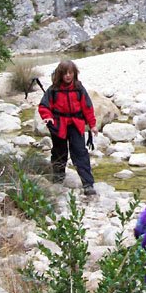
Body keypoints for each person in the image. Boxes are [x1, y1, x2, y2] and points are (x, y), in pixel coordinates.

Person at [38, 60, 99, 196]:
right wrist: (47, 117)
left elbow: (87, 107)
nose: (68, 76)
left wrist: (92, 124)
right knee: (59, 153)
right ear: (60, 74)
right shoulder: (53, 89)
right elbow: (44, 106)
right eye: (65, 73)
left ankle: (88, 184)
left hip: (76, 124)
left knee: (80, 153)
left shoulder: (78, 88)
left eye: (70, 73)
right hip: (58, 125)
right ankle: (58, 180)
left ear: (74, 73)